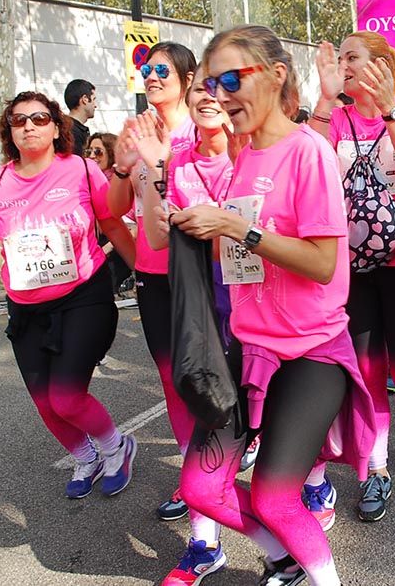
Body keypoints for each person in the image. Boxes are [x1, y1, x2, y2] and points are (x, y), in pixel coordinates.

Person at [169, 24, 373, 586]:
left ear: (276, 75)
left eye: (232, 79)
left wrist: (236, 226)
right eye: (212, 83)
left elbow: (323, 263)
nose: (220, 95)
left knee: (276, 496)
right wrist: (193, 227)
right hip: (248, 349)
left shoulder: (308, 151)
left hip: (311, 353)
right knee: (200, 488)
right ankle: (282, 559)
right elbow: (243, 260)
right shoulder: (244, 157)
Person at [0, 91, 138, 497]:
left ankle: (115, 447)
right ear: (9, 131)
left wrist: (144, 276)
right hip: (26, 308)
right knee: (44, 403)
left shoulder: (81, 170)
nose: (29, 126)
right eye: (19, 120)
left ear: (57, 128)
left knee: (67, 397)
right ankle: (86, 457)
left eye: (39, 118)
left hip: (83, 296)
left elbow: (112, 224)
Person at [311, 30, 395, 523]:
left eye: (352, 57)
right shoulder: (338, 117)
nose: (343, 65)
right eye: (340, 58)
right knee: (367, 376)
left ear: (382, 65)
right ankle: (375, 470)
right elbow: (310, 164)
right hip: (351, 265)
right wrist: (325, 101)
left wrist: (389, 110)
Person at [129, 68, 234, 586]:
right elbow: (154, 237)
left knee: (272, 408)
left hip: (262, 306)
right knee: (201, 406)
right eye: (200, 93)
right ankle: (204, 543)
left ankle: (309, 488)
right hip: (200, 301)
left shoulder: (262, 153)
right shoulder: (176, 160)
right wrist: (155, 171)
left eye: (221, 90)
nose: (208, 99)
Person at [108, 41, 200, 523]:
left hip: (201, 270)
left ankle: (243, 445)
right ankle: (193, 473)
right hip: (152, 274)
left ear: (187, 79)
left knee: (213, 372)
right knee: (171, 377)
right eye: (147, 68)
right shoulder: (136, 128)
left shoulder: (203, 128)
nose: (151, 76)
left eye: (163, 70)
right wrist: (123, 165)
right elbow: (113, 208)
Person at [87, 132, 133, 294]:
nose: (92, 156)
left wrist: (106, 249)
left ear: (111, 153)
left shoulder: (121, 181)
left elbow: (131, 225)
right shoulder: (86, 180)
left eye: (98, 152)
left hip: (117, 250)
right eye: (89, 151)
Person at [64, 79, 97, 156]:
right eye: (93, 99)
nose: (95, 105)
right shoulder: (72, 132)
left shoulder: (67, 128)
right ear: (85, 99)